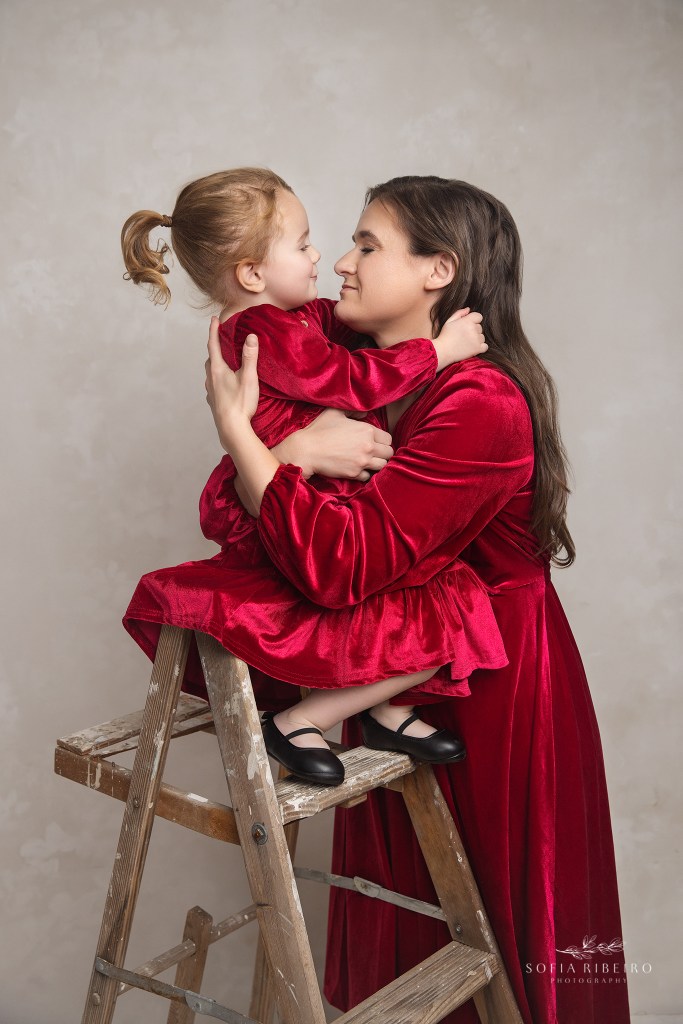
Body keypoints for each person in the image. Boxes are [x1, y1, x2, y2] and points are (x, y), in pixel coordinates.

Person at [202, 176, 631, 1024]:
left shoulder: (478, 401)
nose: (343, 266)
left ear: (439, 270)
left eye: (367, 245)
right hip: (393, 676)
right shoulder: (362, 379)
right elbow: (236, 522)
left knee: (507, 934)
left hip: (492, 685)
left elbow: (339, 568)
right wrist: (287, 446)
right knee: (403, 926)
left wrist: (244, 438)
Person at [121, 167, 504, 787]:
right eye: (302, 245)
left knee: (427, 603)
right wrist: (440, 350)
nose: (328, 258)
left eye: (365, 246)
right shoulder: (263, 330)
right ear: (252, 273)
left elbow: (335, 324)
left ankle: (386, 709)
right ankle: (305, 721)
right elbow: (351, 380)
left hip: (297, 494)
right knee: (443, 606)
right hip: (295, 513)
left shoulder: (283, 319)